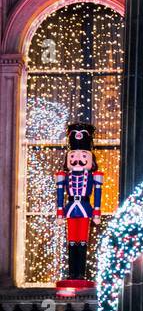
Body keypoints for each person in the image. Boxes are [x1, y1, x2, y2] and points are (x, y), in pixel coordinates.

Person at [54, 123, 102, 291]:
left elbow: (97, 194)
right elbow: (60, 194)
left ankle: (80, 273)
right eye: (73, 155)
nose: (77, 160)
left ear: (90, 159)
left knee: (82, 241)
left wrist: (97, 211)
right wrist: (60, 212)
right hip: (70, 209)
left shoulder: (93, 176)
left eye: (83, 156)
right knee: (71, 242)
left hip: (84, 208)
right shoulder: (64, 176)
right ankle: (72, 273)